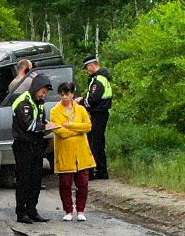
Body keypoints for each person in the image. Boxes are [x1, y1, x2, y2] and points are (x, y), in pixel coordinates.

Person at [48, 81, 95, 220]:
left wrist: (70, 125)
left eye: (67, 94)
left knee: (83, 183)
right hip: (65, 152)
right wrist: (77, 130)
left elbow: (87, 126)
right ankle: (68, 211)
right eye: (61, 95)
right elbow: (59, 132)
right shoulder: (55, 111)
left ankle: (81, 210)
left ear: (72, 94)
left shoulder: (80, 110)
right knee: (65, 184)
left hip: (81, 153)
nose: (64, 97)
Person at [10, 74, 53, 223]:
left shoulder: (39, 102)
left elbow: (40, 121)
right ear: (36, 88)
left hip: (37, 145)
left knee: (35, 180)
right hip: (24, 145)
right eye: (43, 91)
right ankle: (21, 213)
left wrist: (49, 126)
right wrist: (45, 127)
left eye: (46, 92)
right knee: (24, 180)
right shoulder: (23, 102)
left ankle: (32, 210)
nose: (44, 94)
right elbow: (28, 125)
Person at [83, 58, 113, 180]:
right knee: (99, 142)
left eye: (86, 68)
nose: (86, 71)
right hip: (102, 112)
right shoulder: (103, 78)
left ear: (91, 66)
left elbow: (93, 99)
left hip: (98, 113)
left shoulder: (98, 80)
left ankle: (91, 171)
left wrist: (82, 103)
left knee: (93, 142)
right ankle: (102, 170)